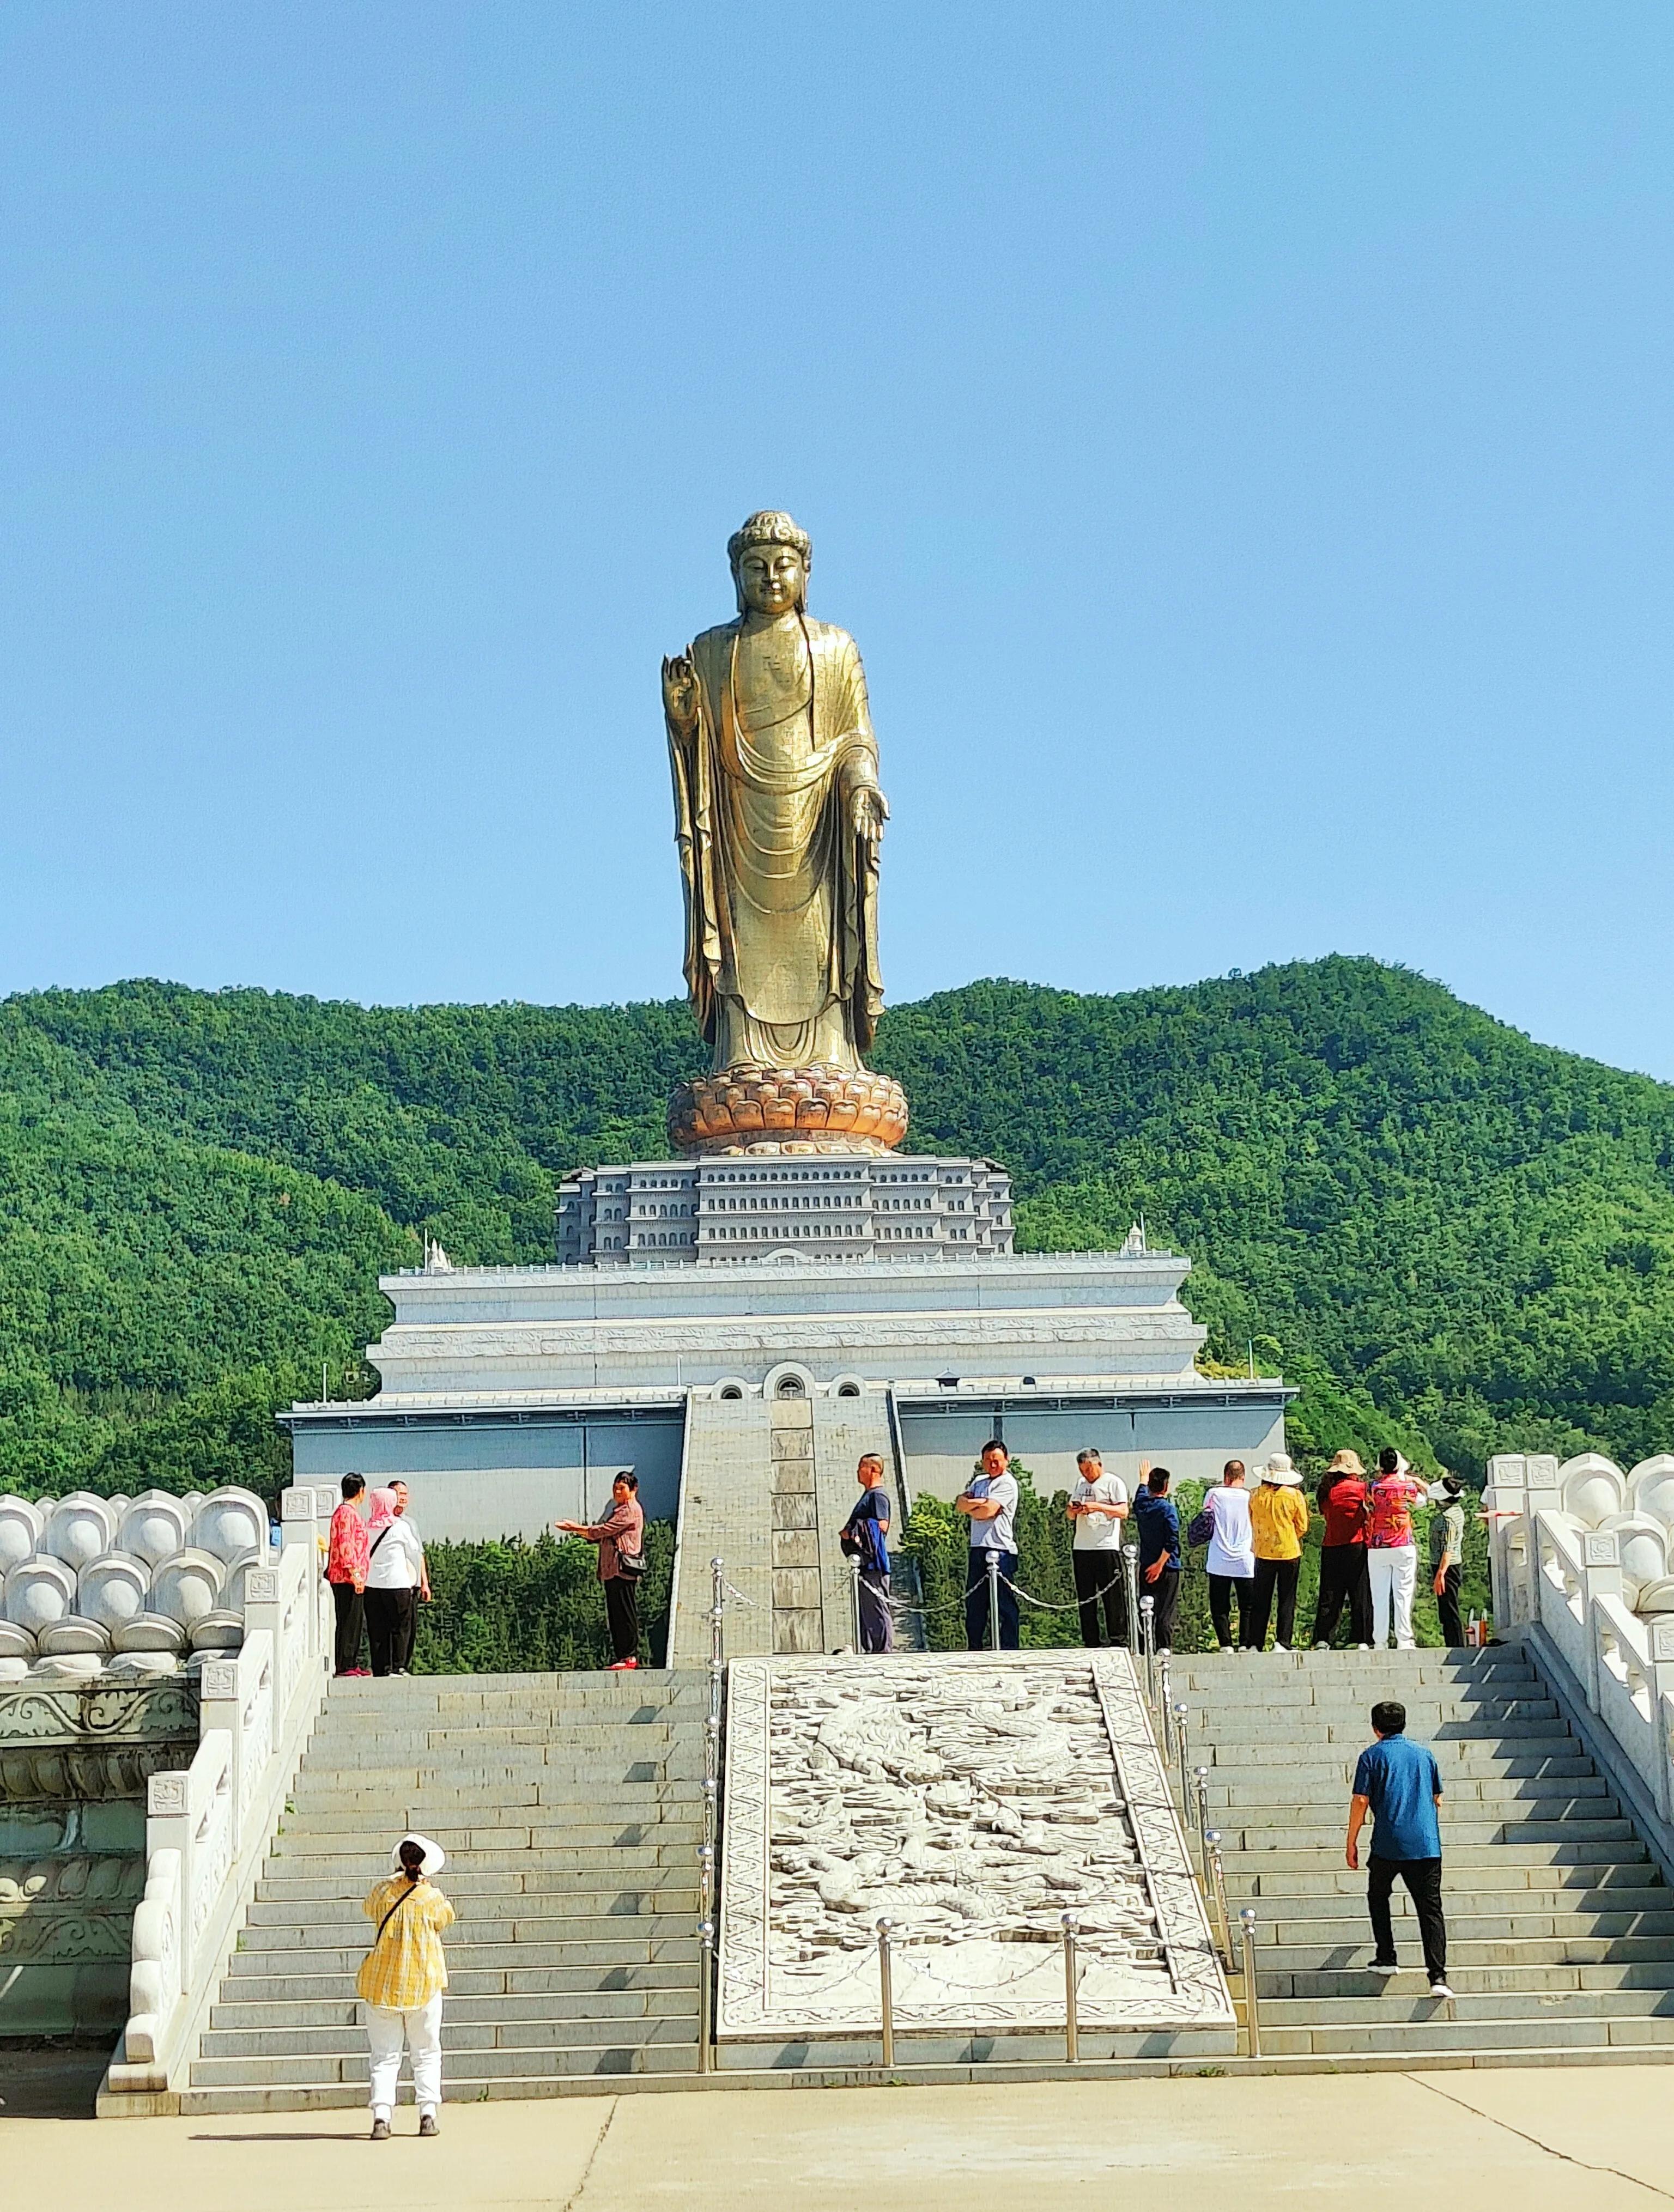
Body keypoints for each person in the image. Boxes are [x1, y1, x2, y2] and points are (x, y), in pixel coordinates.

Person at [1345, 1698, 1453, 2000]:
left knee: (1378, 1895)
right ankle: (1438, 1976)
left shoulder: (1371, 1757)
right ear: (1403, 1724)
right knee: (1430, 1909)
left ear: (1375, 1728)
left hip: (1388, 1843)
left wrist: (1351, 1841)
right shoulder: (1424, 1754)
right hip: (1426, 1844)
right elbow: (1437, 1798)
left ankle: (1387, 1956)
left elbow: (1361, 1801)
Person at [358, 1832, 456, 2139]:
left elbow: (369, 1909)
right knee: (426, 2053)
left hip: (382, 1985)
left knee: (384, 2056)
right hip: (423, 1983)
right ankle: (428, 2115)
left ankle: (382, 2118)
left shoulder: (382, 1892)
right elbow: (446, 1919)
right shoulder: (431, 1898)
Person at [557, 1472, 646, 1670]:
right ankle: (622, 1656)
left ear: (634, 1489)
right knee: (616, 1614)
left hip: (622, 1569)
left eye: (622, 1488)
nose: (617, 1492)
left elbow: (604, 1531)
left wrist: (575, 1528)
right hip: (612, 1569)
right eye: (615, 1488)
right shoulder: (620, 1510)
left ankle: (629, 1656)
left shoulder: (630, 1510)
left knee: (624, 1613)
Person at [955, 1439, 1021, 1651]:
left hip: (1000, 1549)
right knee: (975, 1602)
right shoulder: (979, 1481)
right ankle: (975, 1647)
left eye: (997, 1460)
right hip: (978, 1546)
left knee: (1004, 1602)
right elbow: (960, 1504)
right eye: (988, 1460)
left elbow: (987, 1512)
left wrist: (975, 1506)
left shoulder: (1007, 1483)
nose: (992, 1465)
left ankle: (1009, 1647)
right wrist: (979, 1504)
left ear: (1007, 1460)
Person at [1245, 1454, 1310, 1651]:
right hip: (1288, 1552)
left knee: (1260, 1599)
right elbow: (1303, 1526)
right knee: (1287, 1599)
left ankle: (1255, 1643)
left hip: (1263, 1552)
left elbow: (1252, 1520)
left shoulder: (1255, 1495)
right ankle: (1282, 1641)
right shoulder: (1295, 1496)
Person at [364, 1484, 429, 1678]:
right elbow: (414, 1550)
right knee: (400, 1627)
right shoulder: (401, 1526)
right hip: (397, 1585)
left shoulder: (367, 1527)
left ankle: (380, 1668)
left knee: (377, 1629)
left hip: (372, 1586)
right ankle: (398, 1666)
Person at [1066, 1446, 1129, 1648]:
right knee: (1086, 1596)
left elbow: (1123, 1511)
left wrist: (1097, 1506)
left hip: (1106, 1545)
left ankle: (1118, 1639)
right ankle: (1091, 1640)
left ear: (1099, 1464)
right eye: (1082, 1471)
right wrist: (1075, 1510)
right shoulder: (1080, 1484)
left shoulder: (1113, 1482)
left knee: (1112, 1596)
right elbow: (1070, 1514)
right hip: (1082, 1546)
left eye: (1089, 1469)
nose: (1086, 1474)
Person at [1313, 1449, 1373, 1649]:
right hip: (1356, 1544)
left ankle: (1323, 1638)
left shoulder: (1327, 1492)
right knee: (1359, 1593)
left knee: (1330, 1594)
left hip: (1331, 1545)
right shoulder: (1361, 1489)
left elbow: (1325, 1513)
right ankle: (1362, 1638)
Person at [1367, 1449, 1427, 1650]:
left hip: (1377, 1546)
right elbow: (1423, 1501)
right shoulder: (1407, 1486)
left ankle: (1380, 1640)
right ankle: (1404, 1639)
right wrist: (1416, 1481)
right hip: (1403, 1544)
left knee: (1379, 1596)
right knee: (1403, 1594)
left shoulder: (1373, 1487)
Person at [840, 1454, 894, 1652]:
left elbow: (882, 1526)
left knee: (877, 1609)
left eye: (861, 1467)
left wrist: (854, 1529)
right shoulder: (868, 1495)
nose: (858, 1471)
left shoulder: (878, 1496)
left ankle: (883, 1652)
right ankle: (870, 1649)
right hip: (863, 1566)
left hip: (874, 1564)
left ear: (873, 1470)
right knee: (866, 1611)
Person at [1202, 1460, 1255, 1652]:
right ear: (1243, 1477)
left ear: (1226, 1476)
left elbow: (1206, 1515)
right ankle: (1245, 1643)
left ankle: (1226, 1644)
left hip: (1219, 1558)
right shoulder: (1250, 1497)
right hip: (1245, 1558)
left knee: (1219, 1606)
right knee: (1247, 1607)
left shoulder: (1214, 1494)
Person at [1132, 1463, 1181, 1652]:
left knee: (1145, 1611)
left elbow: (1140, 1496)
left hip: (1146, 1565)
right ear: (1166, 1487)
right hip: (1168, 1566)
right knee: (1165, 1613)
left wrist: (1143, 1480)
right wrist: (1160, 1564)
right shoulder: (1167, 1509)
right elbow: (1172, 1540)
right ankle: (1164, 1649)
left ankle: (1144, 1649)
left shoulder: (1142, 1506)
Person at [326, 1473, 371, 1678]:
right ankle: (345, 1664)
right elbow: (346, 1544)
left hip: (350, 1577)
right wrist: (355, 1573)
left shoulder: (348, 1513)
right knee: (348, 1620)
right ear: (360, 1491)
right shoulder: (346, 1513)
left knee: (354, 1621)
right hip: (346, 1577)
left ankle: (351, 1661)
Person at [1428, 1473, 1467, 1647]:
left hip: (1446, 1567)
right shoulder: (1457, 1511)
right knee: (1448, 1608)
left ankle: (1456, 1645)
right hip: (1452, 1565)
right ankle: (1454, 1643)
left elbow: (1447, 1549)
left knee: (1449, 1610)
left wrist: (1440, 1575)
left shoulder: (1447, 1519)